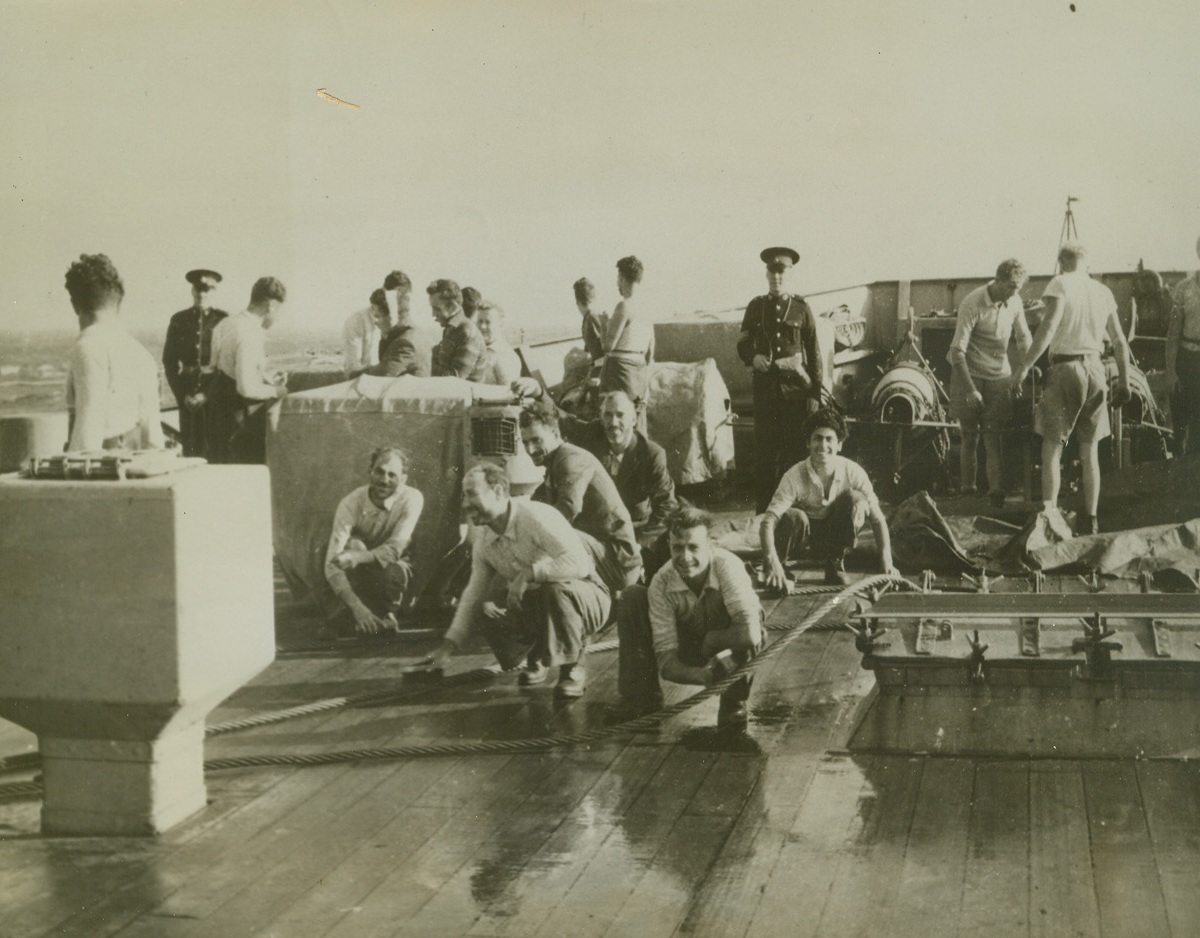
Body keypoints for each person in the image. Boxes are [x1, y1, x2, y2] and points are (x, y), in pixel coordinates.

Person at [424, 463, 611, 698]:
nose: (464, 504)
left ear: (500, 491)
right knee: (483, 607)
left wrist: (529, 573)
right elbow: (473, 592)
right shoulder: (484, 539)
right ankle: (537, 655)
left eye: (472, 494)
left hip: (587, 597)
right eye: (463, 496)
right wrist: (448, 647)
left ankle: (572, 667)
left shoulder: (535, 515)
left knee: (555, 591)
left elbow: (580, 564)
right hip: (539, 602)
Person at [1013, 242, 1131, 535]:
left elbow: (1048, 327)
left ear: (1061, 262)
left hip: (1066, 370)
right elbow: (1118, 341)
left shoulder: (1059, 283)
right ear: (1086, 263)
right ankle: (1090, 520)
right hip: (1096, 370)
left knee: (1051, 448)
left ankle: (1049, 519)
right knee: (1089, 451)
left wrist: (1025, 366)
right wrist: (1125, 380)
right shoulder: (1103, 291)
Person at [611, 507, 763, 729]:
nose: (685, 557)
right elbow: (666, 662)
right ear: (669, 547)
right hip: (691, 646)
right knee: (632, 595)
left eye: (693, 547)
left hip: (729, 644)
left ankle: (734, 700)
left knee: (752, 620)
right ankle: (642, 697)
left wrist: (712, 640)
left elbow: (750, 633)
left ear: (710, 545)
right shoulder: (661, 583)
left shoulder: (727, 566)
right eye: (678, 548)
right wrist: (702, 676)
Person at [760, 406, 897, 588]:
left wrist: (887, 562)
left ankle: (834, 565)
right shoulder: (793, 475)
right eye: (817, 438)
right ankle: (779, 568)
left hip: (835, 535)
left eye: (829, 439)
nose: (823, 446)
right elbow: (768, 522)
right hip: (806, 537)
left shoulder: (853, 471)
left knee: (856, 499)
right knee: (794, 516)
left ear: (839, 444)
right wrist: (772, 561)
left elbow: (878, 519)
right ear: (808, 443)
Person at [520, 401, 643, 594]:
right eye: (525, 442)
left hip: (618, 564)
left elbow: (566, 512)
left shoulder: (570, 459)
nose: (530, 450)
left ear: (554, 434)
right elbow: (533, 508)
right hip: (599, 550)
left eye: (536, 440)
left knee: (545, 539)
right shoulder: (555, 462)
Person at [737, 246, 823, 513]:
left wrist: (815, 395)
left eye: (782, 272)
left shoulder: (801, 308)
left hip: (796, 395)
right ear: (766, 275)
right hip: (766, 394)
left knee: (796, 454)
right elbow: (742, 343)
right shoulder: (755, 307)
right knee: (764, 456)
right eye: (772, 273)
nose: (777, 278)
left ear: (790, 274)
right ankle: (764, 515)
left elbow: (815, 354)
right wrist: (753, 357)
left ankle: (796, 513)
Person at [946, 258, 1033, 507]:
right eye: (1010, 287)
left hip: (999, 375)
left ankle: (996, 492)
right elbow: (957, 352)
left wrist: (1023, 370)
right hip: (968, 373)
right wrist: (971, 390)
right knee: (970, 436)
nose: (1014, 293)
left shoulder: (1014, 301)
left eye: (1018, 289)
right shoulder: (972, 303)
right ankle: (968, 491)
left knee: (994, 437)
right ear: (998, 280)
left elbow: (1024, 336)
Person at [63, 253, 164, 452]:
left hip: (99, 469)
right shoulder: (141, 353)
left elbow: (87, 431)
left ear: (75, 304)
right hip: (133, 464)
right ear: (118, 302)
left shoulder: (87, 348)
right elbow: (153, 436)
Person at [323, 447, 424, 635]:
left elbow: (395, 549)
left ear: (404, 479)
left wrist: (359, 557)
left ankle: (386, 613)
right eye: (379, 471)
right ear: (370, 471)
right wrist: (358, 608)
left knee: (388, 571)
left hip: (394, 567)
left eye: (392, 475)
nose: (384, 480)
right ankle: (364, 614)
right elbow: (331, 563)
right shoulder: (350, 502)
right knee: (351, 545)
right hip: (359, 571)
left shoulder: (412, 498)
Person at [205, 276, 288, 464]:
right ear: (272, 305)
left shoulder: (225, 324)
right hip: (240, 420)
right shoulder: (251, 333)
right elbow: (245, 388)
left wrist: (266, 377)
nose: (278, 317)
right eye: (279, 310)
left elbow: (217, 367)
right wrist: (277, 390)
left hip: (218, 413)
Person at [162, 268, 229, 457]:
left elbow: (225, 366)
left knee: (216, 449)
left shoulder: (223, 320)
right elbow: (169, 361)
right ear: (192, 291)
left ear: (214, 291)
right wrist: (182, 396)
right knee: (191, 449)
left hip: (215, 395)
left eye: (207, 289)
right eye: (198, 289)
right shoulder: (179, 320)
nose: (202, 294)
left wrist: (206, 395)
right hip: (188, 396)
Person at [600, 256, 654, 407]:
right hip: (639, 373)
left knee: (614, 419)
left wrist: (604, 325)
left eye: (618, 278)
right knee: (637, 420)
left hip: (619, 373)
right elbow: (650, 353)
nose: (617, 283)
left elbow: (607, 347)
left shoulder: (624, 306)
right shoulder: (647, 309)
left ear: (622, 278)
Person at [1166, 235, 1200, 454]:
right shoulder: (1184, 288)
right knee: (1181, 424)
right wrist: (1171, 372)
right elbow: (1173, 333)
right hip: (1188, 361)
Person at [362, 284, 431, 378]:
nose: (375, 322)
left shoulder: (406, 342)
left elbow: (379, 376)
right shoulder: (409, 334)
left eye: (377, 316)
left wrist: (353, 375)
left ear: (391, 317)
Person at [428, 279, 488, 381]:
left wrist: (423, 365)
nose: (433, 314)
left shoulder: (467, 333)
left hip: (466, 395)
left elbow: (454, 380)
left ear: (452, 307)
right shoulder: (452, 329)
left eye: (437, 309)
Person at [475, 300, 523, 385]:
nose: (482, 326)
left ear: (500, 325)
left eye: (488, 322)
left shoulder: (505, 355)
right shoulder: (477, 349)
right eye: (480, 321)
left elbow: (510, 394)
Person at [341, 290, 386, 377]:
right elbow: (354, 363)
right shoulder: (355, 321)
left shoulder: (394, 318)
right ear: (373, 306)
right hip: (361, 377)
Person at [574, 277, 607, 365]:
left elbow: (605, 349)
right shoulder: (588, 317)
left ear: (578, 302)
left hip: (601, 367)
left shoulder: (592, 316)